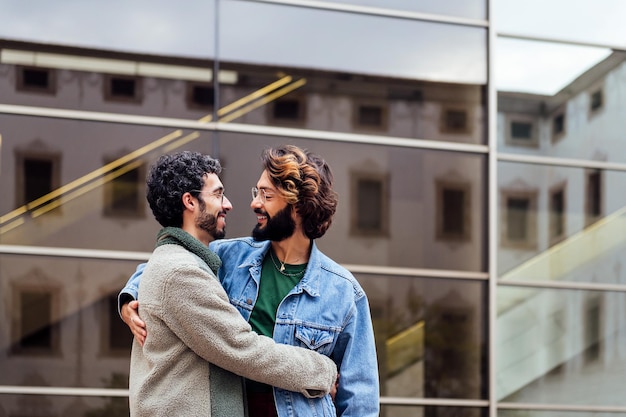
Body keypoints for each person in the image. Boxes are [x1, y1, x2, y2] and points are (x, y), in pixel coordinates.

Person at [120, 145, 379, 417]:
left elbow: (360, 399)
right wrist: (129, 298)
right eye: (257, 192)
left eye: (266, 195)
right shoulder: (229, 257)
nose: (255, 203)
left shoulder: (344, 292)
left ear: (298, 206)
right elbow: (170, 265)